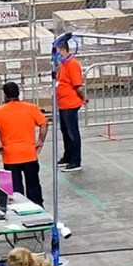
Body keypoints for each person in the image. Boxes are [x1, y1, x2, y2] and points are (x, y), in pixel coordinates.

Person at [0, 81, 48, 206]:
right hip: (29, 154)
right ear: (19, 93)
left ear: (5, 95)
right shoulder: (31, 108)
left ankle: (17, 210)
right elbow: (44, 124)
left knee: (13, 189)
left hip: (10, 156)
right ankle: (38, 208)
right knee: (33, 184)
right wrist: (40, 141)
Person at [51, 33, 86, 171]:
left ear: (64, 50)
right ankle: (67, 156)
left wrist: (83, 98)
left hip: (70, 104)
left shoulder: (72, 65)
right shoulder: (64, 64)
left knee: (72, 133)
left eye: (58, 52)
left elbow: (78, 85)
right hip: (63, 103)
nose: (56, 55)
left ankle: (75, 161)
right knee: (65, 132)